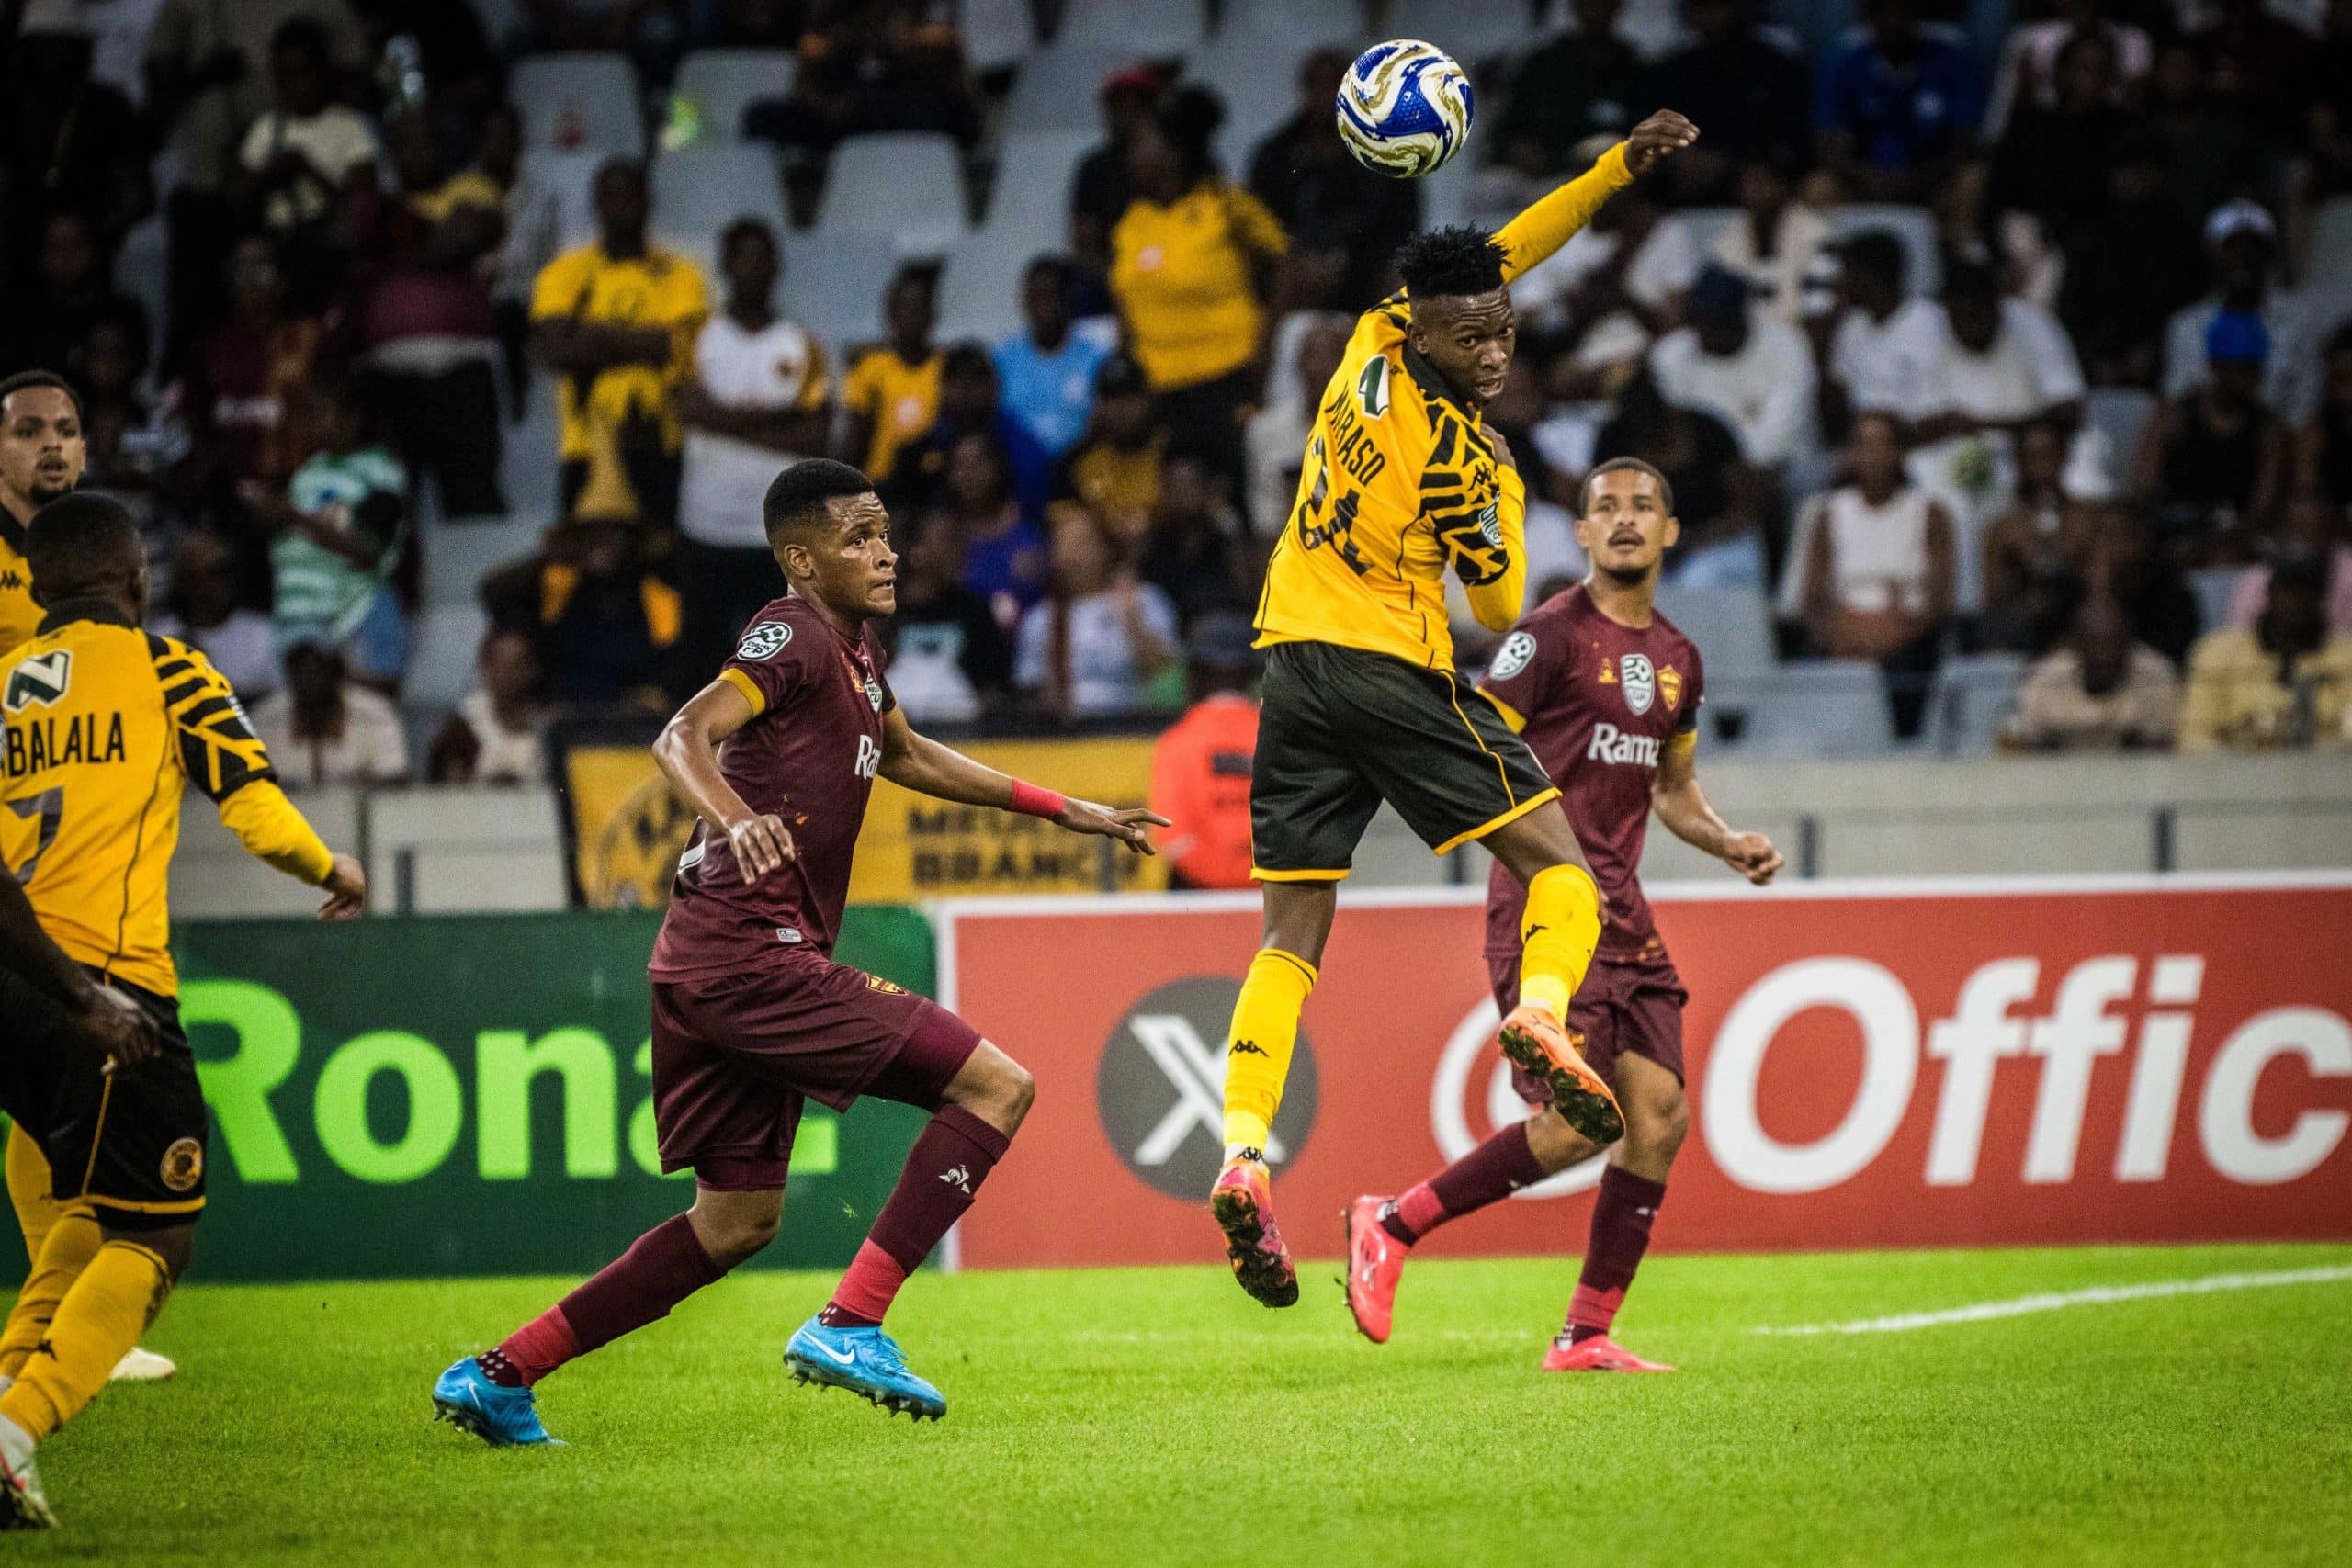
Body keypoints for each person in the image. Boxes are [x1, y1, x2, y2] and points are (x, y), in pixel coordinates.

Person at [430, 459, 1163, 1441]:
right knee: (996, 1086)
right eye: (861, 537)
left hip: (706, 963)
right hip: (751, 956)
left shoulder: (854, 652)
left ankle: (501, 1373)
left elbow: (907, 755)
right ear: (800, 558)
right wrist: (736, 819)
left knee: (735, 1223)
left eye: (886, 532)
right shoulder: (791, 633)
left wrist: (1061, 807)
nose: (887, 552)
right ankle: (851, 1320)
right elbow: (682, 737)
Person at [1209, 112, 1701, 1309]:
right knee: (1561, 866)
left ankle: (1241, 1150)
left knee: (1289, 935)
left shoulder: (1364, 349)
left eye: (1504, 326)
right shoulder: (1485, 464)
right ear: (1428, 324)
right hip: (1389, 668)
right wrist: (1479, 527)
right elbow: (1490, 604)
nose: (1492, 344)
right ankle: (1542, 1015)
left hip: (1292, 665)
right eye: (1472, 331)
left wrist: (1604, 174)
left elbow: (1502, 251)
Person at [1344, 457, 1781, 1367]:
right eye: (1605, 508)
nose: (1624, 520)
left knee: (1657, 1116)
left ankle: (1585, 1332)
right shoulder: (1545, 638)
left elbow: (1673, 790)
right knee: (1587, 1123)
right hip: (1547, 913)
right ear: (1581, 534)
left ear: (1668, 533)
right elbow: (1474, 741)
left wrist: (1727, 840)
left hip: (1630, 916)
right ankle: (1390, 1222)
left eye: (1643, 507)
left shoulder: (1677, 661)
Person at [0, 493, 365, 1529]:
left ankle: (6, 1396)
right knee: (161, 1237)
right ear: (137, 580)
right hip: (104, 985)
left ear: (34, 586)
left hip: (6, 974)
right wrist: (329, 864)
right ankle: (15, 1431)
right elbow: (250, 808)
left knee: (88, 1210)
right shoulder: (168, 669)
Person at [0, 371, 181, 1390]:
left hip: (70, 865)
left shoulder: (88, 571)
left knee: (52, 1097)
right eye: (28, 432)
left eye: (68, 429)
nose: (52, 448)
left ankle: (57, 1307)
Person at [1109, 87, 1289, 492]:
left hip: (1226, 376)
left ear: (1172, 154)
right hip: (1158, 388)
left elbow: (1283, 263)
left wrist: (1265, 342)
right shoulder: (1131, 222)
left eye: (1141, 144)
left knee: (1234, 492)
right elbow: (1123, 300)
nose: (1130, 155)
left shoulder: (1224, 204)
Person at [676, 219, 831, 675]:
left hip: (775, 533)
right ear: (725, 265)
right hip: (705, 526)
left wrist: (722, 418)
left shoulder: (803, 346)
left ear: (777, 266)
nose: (753, 267)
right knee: (702, 665)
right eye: (743, 256)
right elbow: (687, 409)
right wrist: (776, 417)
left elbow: (815, 438)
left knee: (780, 664)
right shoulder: (696, 336)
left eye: (762, 256)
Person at [530, 159, 709, 528]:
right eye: (610, 196)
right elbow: (555, 351)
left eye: (630, 195)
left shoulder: (681, 274)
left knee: (664, 567)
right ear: (597, 204)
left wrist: (591, 335)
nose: (621, 205)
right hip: (584, 447)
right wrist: (647, 340)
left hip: (664, 444)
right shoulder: (564, 273)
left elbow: (680, 348)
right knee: (584, 570)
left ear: (648, 201)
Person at [1796, 412, 1957, 738]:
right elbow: (1811, 600)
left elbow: (1942, 600)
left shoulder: (1930, 513)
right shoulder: (1829, 513)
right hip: (1843, 638)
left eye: (1883, 445)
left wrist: (1892, 634)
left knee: (1906, 670)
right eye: (1864, 445)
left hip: (1909, 639)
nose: (1873, 455)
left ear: (1901, 453)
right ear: (1850, 454)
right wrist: (1843, 635)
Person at [244, 382, 410, 691]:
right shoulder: (308, 473)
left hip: (357, 609)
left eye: (320, 414)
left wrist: (293, 517)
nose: (310, 425)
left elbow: (369, 548)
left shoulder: (380, 469)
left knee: (368, 706)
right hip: (305, 616)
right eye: (306, 416)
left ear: (351, 419)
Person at [1247, 49, 1420, 310]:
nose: (1326, 97)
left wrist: (1349, 262)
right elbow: (1260, 223)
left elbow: (1402, 227)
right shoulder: (1276, 155)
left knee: (1406, 281)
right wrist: (1299, 255)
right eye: (1318, 85)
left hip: (1366, 270)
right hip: (1297, 268)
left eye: (1335, 85)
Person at [2132, 311, 2290, 558]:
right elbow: (2144, 486)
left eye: (2249, 370)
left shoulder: (2268, 430)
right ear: (2215, 366)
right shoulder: (2175, 416)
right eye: (2234, 370)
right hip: (2171, 528)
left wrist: (2211, 541)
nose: (2242, 380)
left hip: (2232, 538)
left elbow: (2263, 508)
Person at [1013, 509, 1180, 720]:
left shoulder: (1145, 599)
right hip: (1066, 736)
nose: (1072, 554)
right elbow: (1029, 694)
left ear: (1106, 548)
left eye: (1082, 543)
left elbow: (1168, 677)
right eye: (1063, 544)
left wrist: (1133, 622)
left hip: (1136, 729)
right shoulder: (1040, 619)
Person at [1640, 0, 1812, 205]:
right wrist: (1676, 158)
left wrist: (1732, 164)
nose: (1709, 18)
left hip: (1755, 177)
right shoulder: (1670, 72)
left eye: (1717, 7)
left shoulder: (1778, 68)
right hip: (1685, 181)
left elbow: (1792, 141)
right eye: (1700, 9)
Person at [2165, 202, 2322, 425]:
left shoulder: (2300, 319)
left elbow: (2306, 401)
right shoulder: (2186, 324)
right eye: (2231, 248)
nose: (2242, 257)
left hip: (2277, 441)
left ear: (2268, 255)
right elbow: (2177, 400)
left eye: (2252, 247)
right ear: (2214, 256)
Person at [1649, 265, 1815, 472]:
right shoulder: (1670, 354)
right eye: (1698, 319)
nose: (1704, 329)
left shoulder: (1786, 347)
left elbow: (1776, 441)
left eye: (1714, 321)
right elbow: (1671, 433)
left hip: (1780, 473)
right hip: (1697, 475)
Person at [2178, 555, 2352, 750]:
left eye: (2305, 592)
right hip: (2236, 771)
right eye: (2286, 591)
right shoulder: (2217, 653)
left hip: (2330, 772)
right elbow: (2194, 735)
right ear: (2269, 595)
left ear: (2321, 599)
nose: (2295, 601)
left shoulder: (2347, 656)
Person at [1815, 0, 1981, 203]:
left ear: (1916, 15)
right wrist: (1867, 178)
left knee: (1972, 180)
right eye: (1883, 12)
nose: (1893, 22)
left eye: (1902, 12)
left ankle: (1956, 236)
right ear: (1869, 17)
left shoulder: (1951, 57)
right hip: (1861, 180)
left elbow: (1966, 140)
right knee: (1819, 187)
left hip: (1931, 180)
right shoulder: (1845, 58)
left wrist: (1920, 179)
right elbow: (1826, 141)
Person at [234, 17, 381, 242]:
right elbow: (238, 200)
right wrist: (272, 173)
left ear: (323, 70)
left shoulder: (350, 126)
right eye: (287, 75)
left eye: (304, 72)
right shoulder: (266, 129)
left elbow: (361, 207)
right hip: (279, 240)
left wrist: (305, 168)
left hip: (332, 240)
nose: (297, 85)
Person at [1148, 614, 1261, 891]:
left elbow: (1172, 837)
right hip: (1271, 895)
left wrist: (1219, 873)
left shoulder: (1177, 742)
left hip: (1198, 896)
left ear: (1194, 672)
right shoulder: (1282, 739)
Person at [991, 257, 1113, 506]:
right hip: (1020, 474)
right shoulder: (1003, 358)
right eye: (1037, 297)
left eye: (1052, 295)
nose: (1045, 306)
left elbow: (1103, 420)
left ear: (1068, 299)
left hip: (1080, 467)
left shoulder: (1095, 357)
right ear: (1025, 302)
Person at [1980, 419, 2103, 654]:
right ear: (2019, 461)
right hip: (2019, 635)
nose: (2041, 466)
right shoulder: (2002, 528)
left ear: (2064, 455)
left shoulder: (2087, 518)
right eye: (2032, 456)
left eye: (2049, 454)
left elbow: (2099, 587)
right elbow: (1993, 599)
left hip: (2078, 630)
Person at [2005, 596, 2179, 751]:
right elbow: (2027, 746)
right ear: (2076, 644)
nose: (2105, 655)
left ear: (2129, 644)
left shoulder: (2156, 676)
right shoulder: (2046, 680)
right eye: (2094, 643)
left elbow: (2167, 748)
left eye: (2114, 643)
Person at [877, 523, 1013, 723]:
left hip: (963, 728)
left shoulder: (975, 609)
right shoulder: (885, 608)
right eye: (948, 542)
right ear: (917, 550)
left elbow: (993, 687)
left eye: (959, 543)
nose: (958, 551)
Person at [1494, 0, 1647, 174]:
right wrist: (1520, 149)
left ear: (1618, 5)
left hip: (1613, 180)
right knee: (1496, 186)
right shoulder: (1543, 63)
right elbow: (1508, 129)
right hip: (1546, 175)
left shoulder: (1636, 67)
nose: (1595, 9)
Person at [249, 638, 410, 787]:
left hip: (359, 814)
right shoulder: (264, 719)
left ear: (337, 671)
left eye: (318, 667)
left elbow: (394, 781)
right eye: (302, 668)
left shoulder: (376, 714)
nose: (310, 678)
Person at [841, 265, 943, 490]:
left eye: (919, 309)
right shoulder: (870, 369)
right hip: (882, 483)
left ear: (933, 314)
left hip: (934, 483)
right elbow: (855, 439)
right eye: (905, 309)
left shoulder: (944, 368)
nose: (912, 318)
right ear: (890, 314)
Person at [152, 530, 281, 701]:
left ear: (232, 577)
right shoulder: (158, 638)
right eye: (195, 578)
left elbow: (280, 702)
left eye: (215, 574)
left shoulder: (264, 634)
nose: (206, 588)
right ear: (180, 583)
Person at [1057, 353, 1169, 537]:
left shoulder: (1173, 453)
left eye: (1129, 399)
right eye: (1110, 400)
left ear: (1147, 399)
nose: (1120, 411)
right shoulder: (1077, 464)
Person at [428, 628, 548, 785]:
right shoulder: (464, 725)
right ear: (485, 667)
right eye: (499, 665)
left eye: (515, 667)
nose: (505, 675)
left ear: (531, 670)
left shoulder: (547, 723)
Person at [2301, 325, 2352, 509]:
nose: (2341, 386)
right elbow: (2305, 492)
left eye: (2348, 377)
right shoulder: (2317, 432)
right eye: (2336, 377)